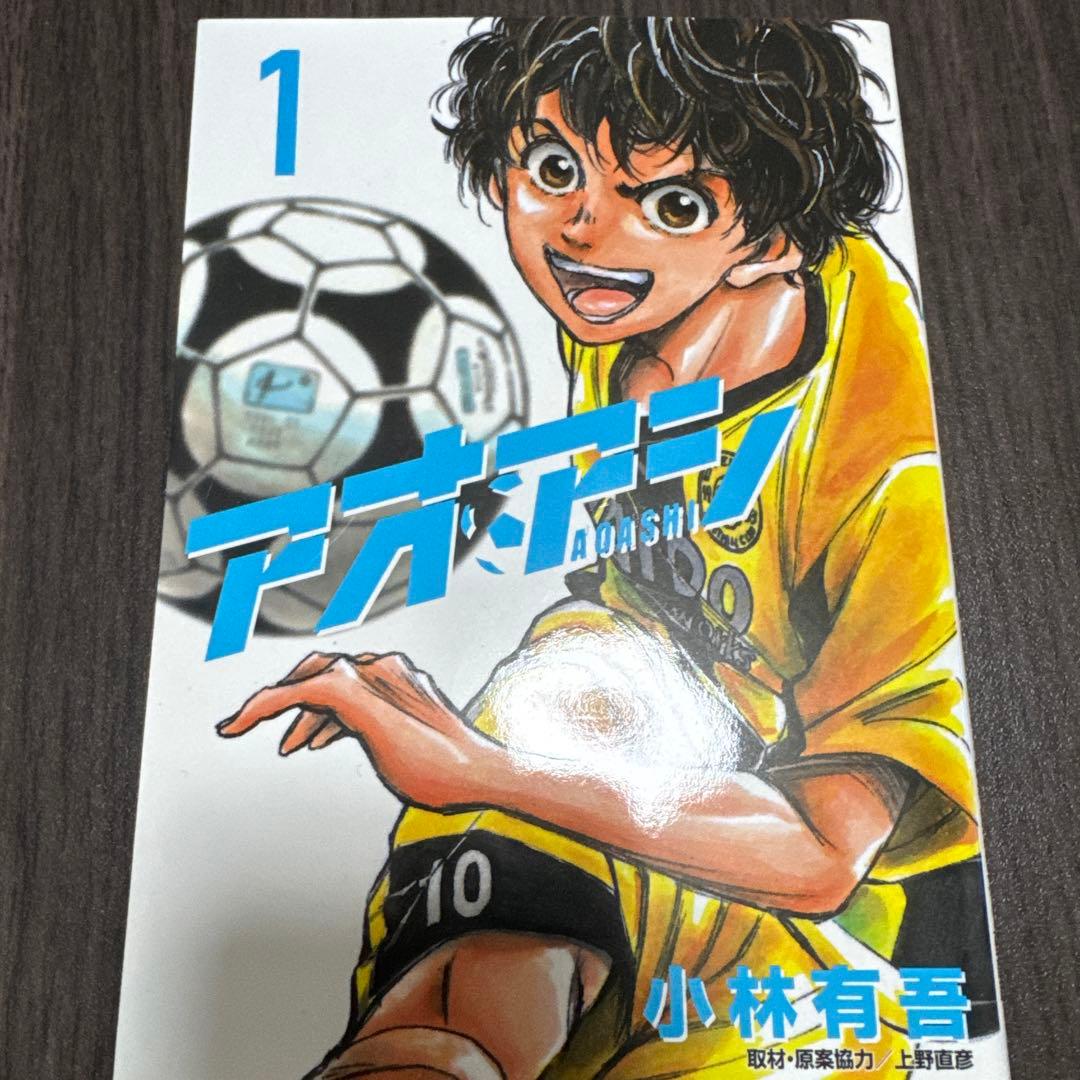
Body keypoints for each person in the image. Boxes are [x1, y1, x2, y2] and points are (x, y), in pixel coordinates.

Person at [219, 18, 985, 1078]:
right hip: (636, 737)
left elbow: (823, 852)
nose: (584, 228)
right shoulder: (636, 307)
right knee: (571, 689)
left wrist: (480, 768)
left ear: (770, 244)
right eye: (552, 169)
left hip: (839, 920)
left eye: (672, 204)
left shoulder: (888, 465)